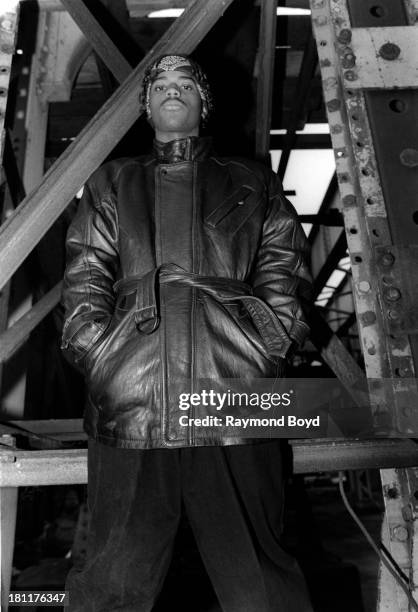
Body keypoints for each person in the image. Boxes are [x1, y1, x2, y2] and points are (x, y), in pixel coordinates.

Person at [61, 54, 313, 612]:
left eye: (185, 85)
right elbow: (84, 279)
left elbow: (283, 274)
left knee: (260, 580)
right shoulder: (112, 181)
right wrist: (102, 357)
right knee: (111, 580)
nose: (172, 92)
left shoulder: (253, 181)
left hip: (236, 395)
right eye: (161, 87)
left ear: (204, 103)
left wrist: (267, 347)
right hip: (132, 397)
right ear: (147, 109)